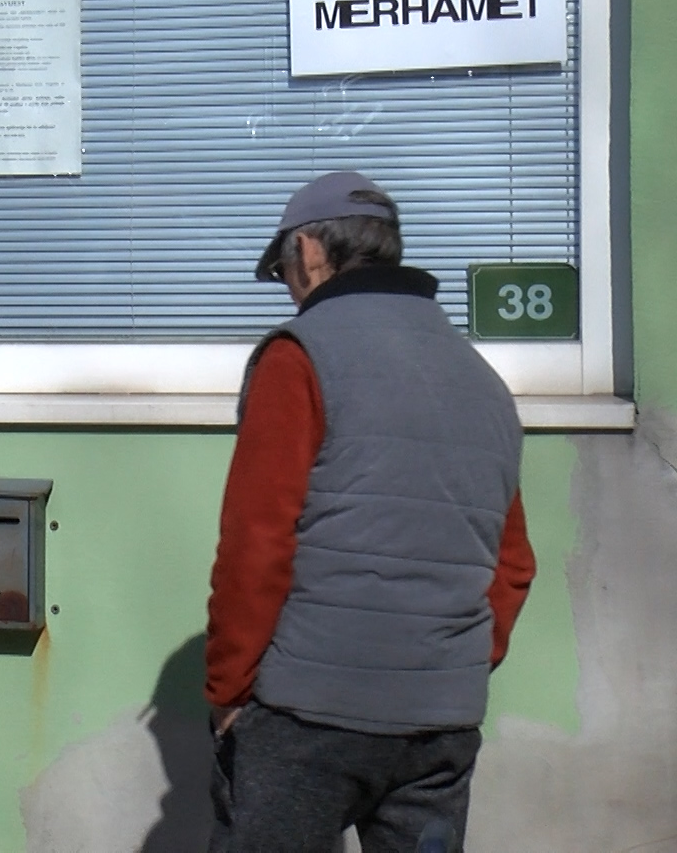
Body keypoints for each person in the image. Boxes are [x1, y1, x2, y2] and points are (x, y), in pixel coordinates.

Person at [205, 171, 537, 852]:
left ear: (308, 252)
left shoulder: (299, 357)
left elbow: (256, 544)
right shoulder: (482, 380)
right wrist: (454, 666)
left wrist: (229, 689)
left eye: (282, 271)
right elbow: (512, 564)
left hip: (307, 717)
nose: (289, 288)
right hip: (440, 730)